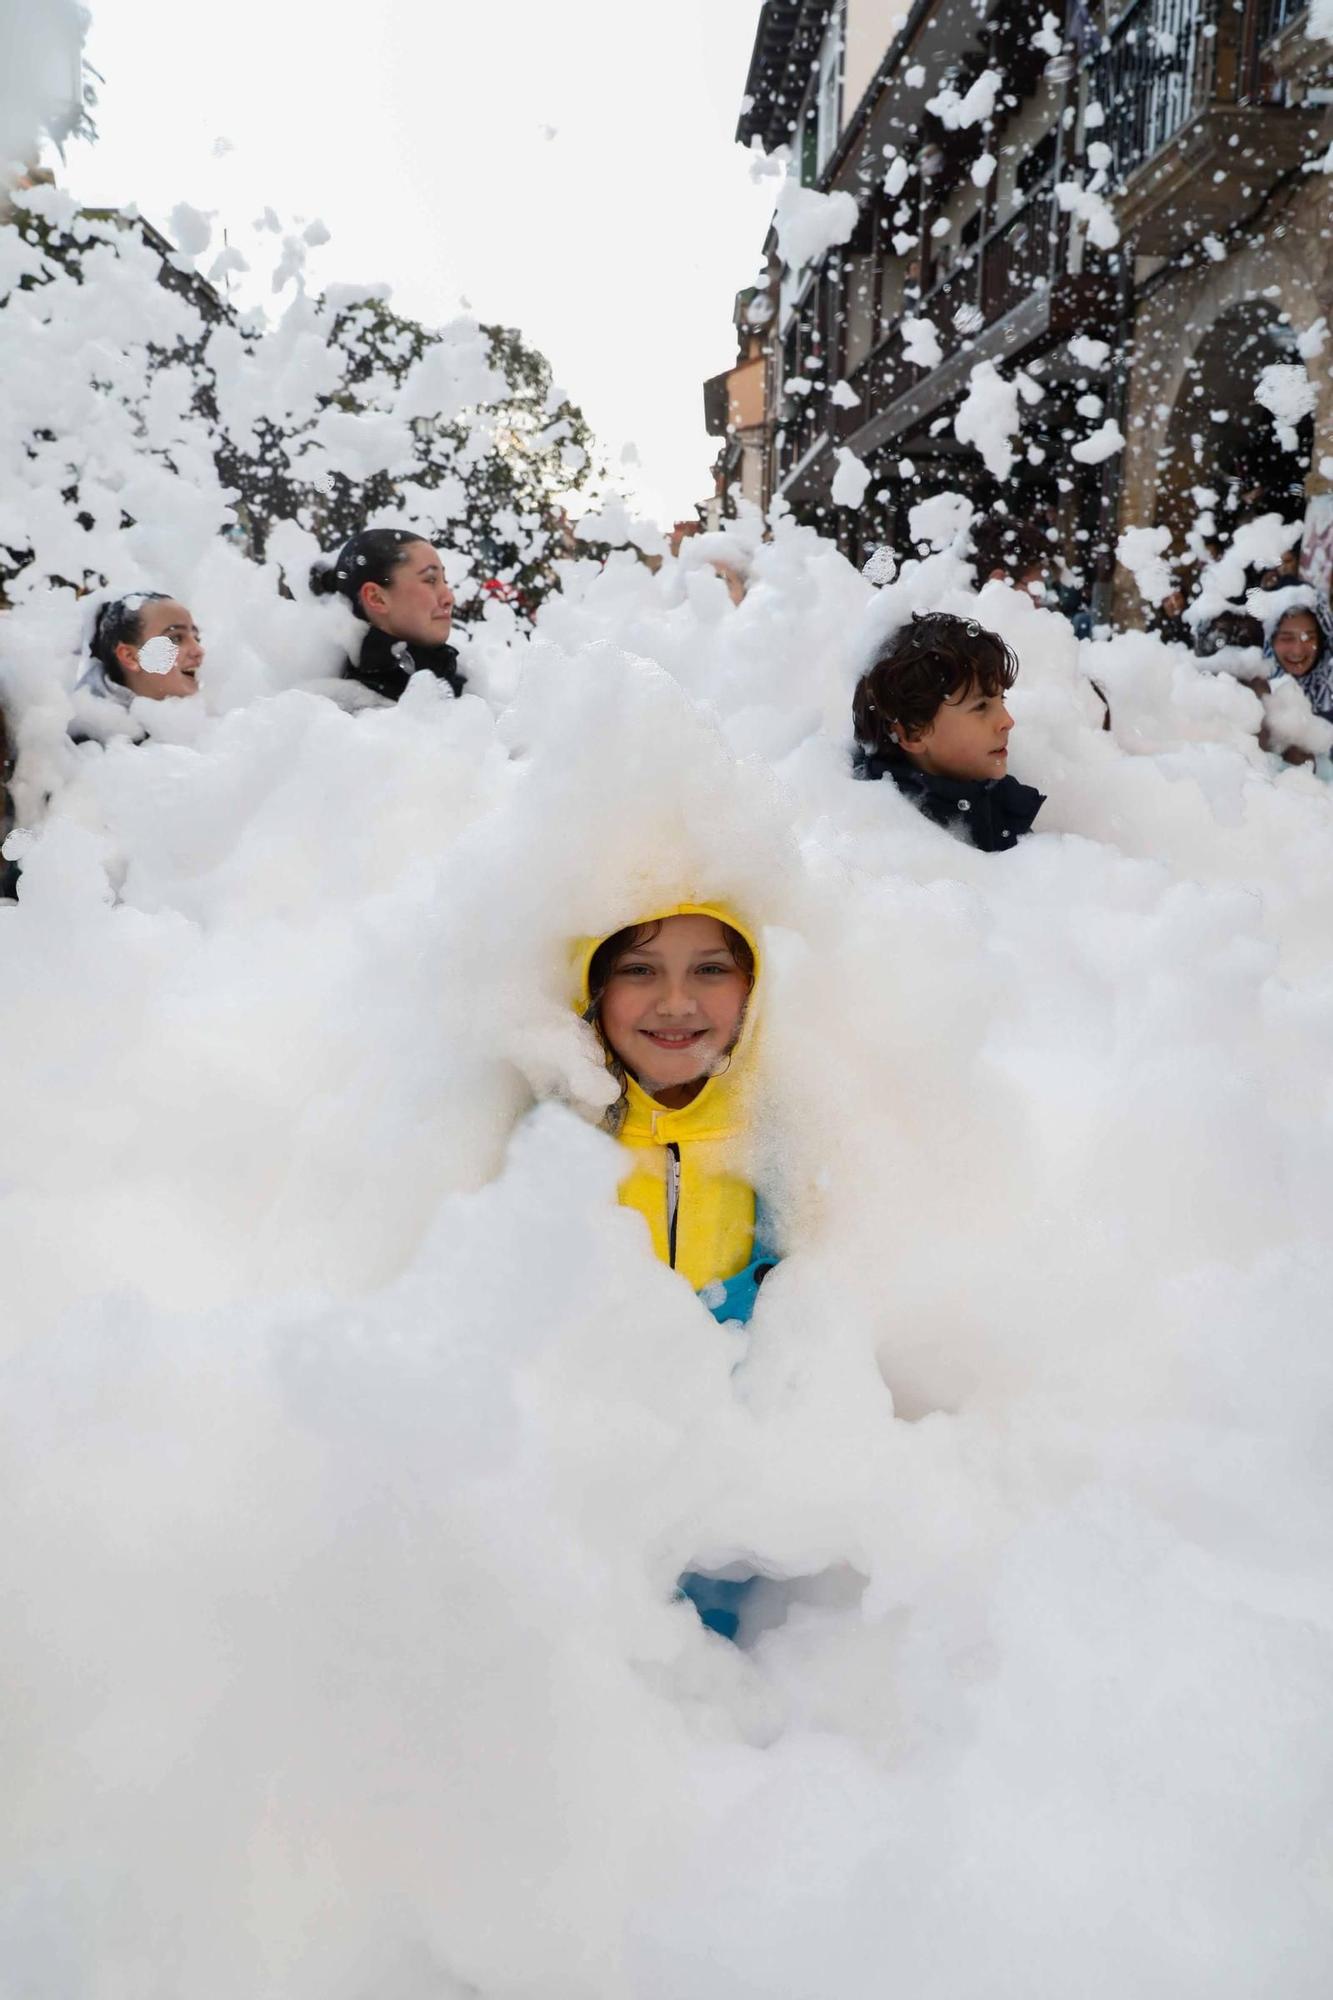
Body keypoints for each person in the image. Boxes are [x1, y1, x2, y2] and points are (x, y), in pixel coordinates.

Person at [574, 902, 778, 1639]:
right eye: (638, 970)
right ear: (590, 991)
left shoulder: (787, 1137)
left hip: (745, 1523)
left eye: (710, 969)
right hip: (590, 1509)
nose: (675, 1002)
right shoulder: (551, 1141)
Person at [851, 611, 1045, 851]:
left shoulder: (1000, 803)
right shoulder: (889, 837)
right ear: (913, 733)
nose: (1007, 721)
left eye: (1001, 700)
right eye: (981, 706)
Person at [309, 527, 464, 704]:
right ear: (376, 598)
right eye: (430, 580)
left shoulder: (461, 681)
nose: (449, 598)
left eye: (444, 581)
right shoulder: (350, 714)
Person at [72, 592, 204, 740]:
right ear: (130, 657)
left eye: (196, 638)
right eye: (176, 638)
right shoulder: (88, 744)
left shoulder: (206, 725)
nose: (198, 650)